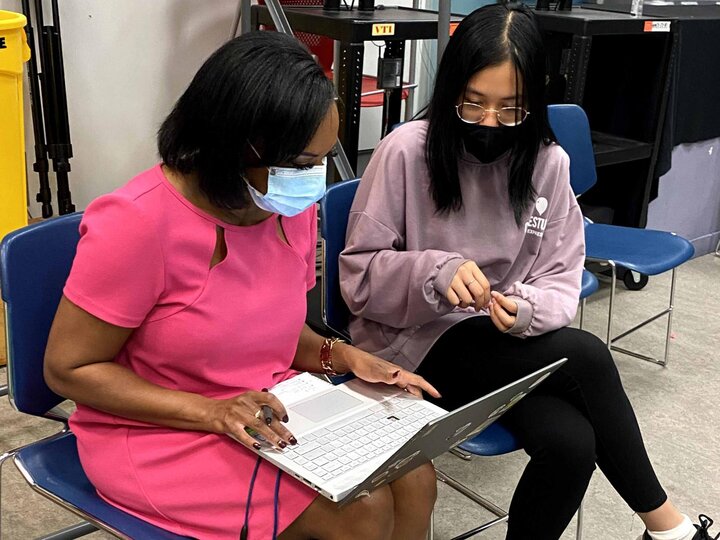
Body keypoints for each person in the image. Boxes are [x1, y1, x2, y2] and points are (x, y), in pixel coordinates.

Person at [43, 31, 440, 540]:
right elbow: (69, 369)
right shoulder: (136, 225)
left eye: (321, 159)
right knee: (359, 513)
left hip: (264, 411)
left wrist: (345, 357)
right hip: (157, 431)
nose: (314, 178)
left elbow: (260, 332)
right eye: (301, 164)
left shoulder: (282, 206)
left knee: (413, 475)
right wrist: (209, 411)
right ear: (231, 143)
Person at [339, 4, 713, 540]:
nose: (490, 123)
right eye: (474, 104)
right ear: (451, 92)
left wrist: (528, 310)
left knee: (571, 443)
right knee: (585, 353)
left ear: (533, 103)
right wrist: (436, 272)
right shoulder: (407, 152)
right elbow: (359, 278)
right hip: (411, 346)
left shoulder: (547, 163)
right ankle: (669, 528)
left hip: (506, 346)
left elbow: (563, 273)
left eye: (510, 109)